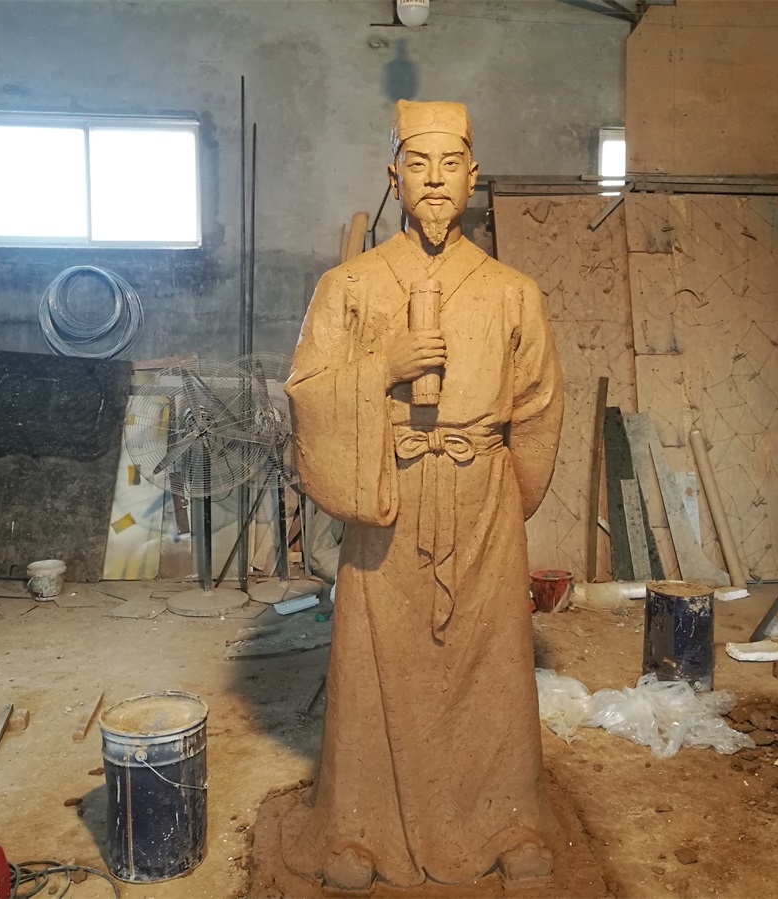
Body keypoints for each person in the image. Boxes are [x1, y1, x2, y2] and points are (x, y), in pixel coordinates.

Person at [282, 100, 566, 890]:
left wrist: (497, 500)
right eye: (418, 164)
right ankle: (359, 827)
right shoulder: (349, 285)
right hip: (388, 498)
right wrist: (386, 367)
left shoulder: (512, 291)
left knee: (492, 666)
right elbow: (306, 389)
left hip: (483, 505)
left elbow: (540, 407)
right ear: (393, 176)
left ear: (473, 177)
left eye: (450, 165)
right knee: (373, 668)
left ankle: (509, 821)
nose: (435, 180)